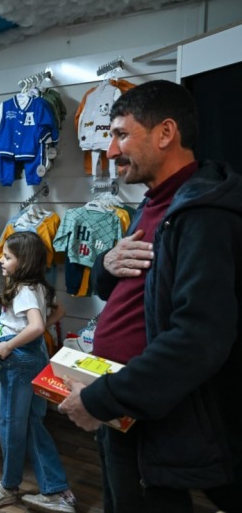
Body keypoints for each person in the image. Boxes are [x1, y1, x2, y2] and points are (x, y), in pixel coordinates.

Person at [58, 80, 242, 512]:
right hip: (124, 406)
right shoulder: (153, 203)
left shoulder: (203, 214)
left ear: (165, 133)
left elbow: (198, 339)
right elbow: (125, 286)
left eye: (121, 135)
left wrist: (102, 399)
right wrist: (106, 264)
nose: (110, 151)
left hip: (158, 420)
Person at [0, 231, 75, 512]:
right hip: (34, 355)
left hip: (18, 358)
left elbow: (36, 326)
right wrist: (31, 335)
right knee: (31, 422)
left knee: (11, 423)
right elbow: (59, 312)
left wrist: (9, 345)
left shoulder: (24, 290)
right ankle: (56, 490)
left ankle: (8, 486)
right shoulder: (38, 287)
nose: (1, 260)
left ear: (24, 261)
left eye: (7, 257)